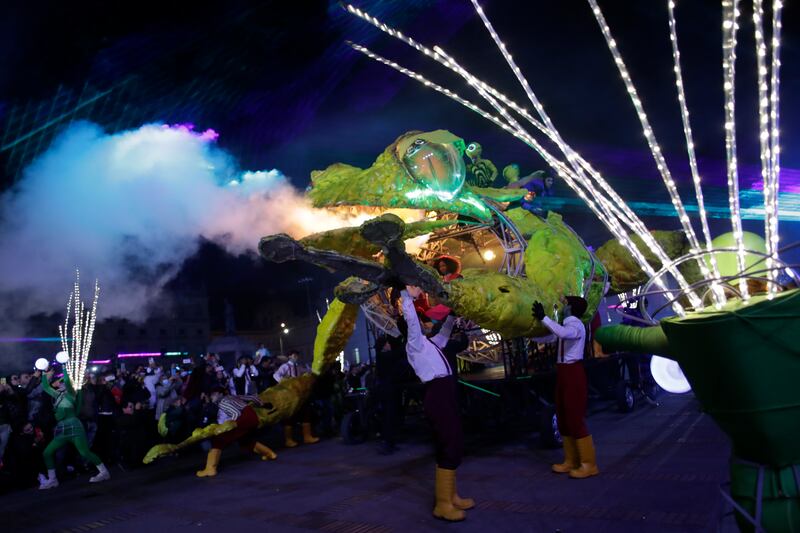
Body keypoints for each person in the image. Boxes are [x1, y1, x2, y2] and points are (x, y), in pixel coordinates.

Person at [400, 286, 473, 522]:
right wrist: (405, 295)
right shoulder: (414, 343)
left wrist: (451, 315)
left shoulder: (427, 342)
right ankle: (443, 504)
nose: (424, 322)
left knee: (453, 441)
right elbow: (410, 319)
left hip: (445, 392)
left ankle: (452, 496)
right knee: (448, 443)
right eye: (421, 320)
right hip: (437, 394)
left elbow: (443, 336)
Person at [531, 295, 599, 479]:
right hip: (563, 372)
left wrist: (544, 318)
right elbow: (552, 337)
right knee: (563, 416)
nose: (562, 307)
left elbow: (561, 333)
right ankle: (571, 460)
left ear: (571, 308)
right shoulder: (566, 326)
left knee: (575, 417)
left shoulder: (575, 325)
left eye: (565, 304)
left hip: (573, 373)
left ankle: (588, 464)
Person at [38, 369, 111, 489]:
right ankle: (52, 479)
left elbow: (66, 381)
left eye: (62, 383)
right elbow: (46, 387)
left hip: (74, 426)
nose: (60, 384)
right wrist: (44, 372)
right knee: (47, 453)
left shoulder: (72, 393)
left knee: (84, 452)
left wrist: (63, 366)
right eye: (60, 383)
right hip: (62, 429)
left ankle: (104, 472)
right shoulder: (58, 395)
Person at [195, 388, 277, 477]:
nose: (211, 397)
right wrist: (261, 404)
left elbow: (236, 413)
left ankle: (210, 469)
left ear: (220, 394)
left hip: (242, 420)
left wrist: (229, 426)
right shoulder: (232, 397)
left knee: (217, 441)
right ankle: (270, 454)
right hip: (252, 418)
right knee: (245, 440)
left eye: (213, 394)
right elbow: (253, 397)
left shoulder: (223, 402)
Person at [273, 350, 318, 447]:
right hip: (290, 395)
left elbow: (307, 371)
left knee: (305, 413)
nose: (296, 357)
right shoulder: (285, 366)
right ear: (289, 356)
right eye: (294, 355)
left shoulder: (298, 367)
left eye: (297, 355)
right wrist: (284, 382)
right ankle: (288, 440)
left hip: (300, 395)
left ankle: (307, 436)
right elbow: (276, 375)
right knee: (291, 416)